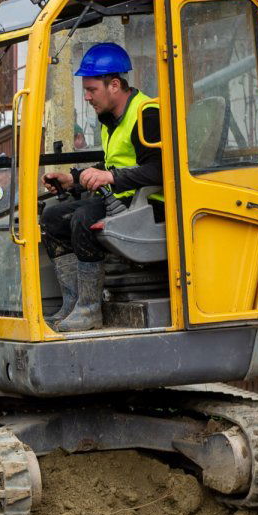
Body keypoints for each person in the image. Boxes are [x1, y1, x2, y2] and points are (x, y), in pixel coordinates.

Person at [40, 42, 161, 332]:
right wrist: (75, 178)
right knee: (53, 218)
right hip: (121, 197)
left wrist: (111, 178)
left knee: (83, 219)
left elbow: (159, 170)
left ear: (114, 85)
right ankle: (73, 302)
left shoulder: (147, 114)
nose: (87, 97)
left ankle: (90, 310)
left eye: (92, 90)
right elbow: (114, 165)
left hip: (148, 204)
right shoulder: (110, 119)